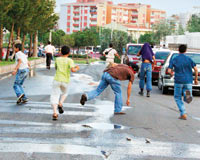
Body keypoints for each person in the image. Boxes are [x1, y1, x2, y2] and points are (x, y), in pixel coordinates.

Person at [167, 44, 198, 120]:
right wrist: (196, 79)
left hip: (178, 81)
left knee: (177, 97)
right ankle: (187, 97)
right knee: (188, 97)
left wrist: (171, 74)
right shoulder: (189, 59)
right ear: (186, 50)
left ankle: (183, 113)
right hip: (188, 81)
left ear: (178, 50)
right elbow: (196, 70)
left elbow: (169, 70)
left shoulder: (175, 59)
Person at [50, 46, 80, 120]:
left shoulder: (57, 59)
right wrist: (77, 68)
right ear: (69, 53)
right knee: (65, 93)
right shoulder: (70, 60)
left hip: (57, 79)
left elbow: (56, 68)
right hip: (65, 80)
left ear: (61, 52)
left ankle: (54, 113)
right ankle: (61, 103)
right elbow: (72, 70)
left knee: (54, 95)